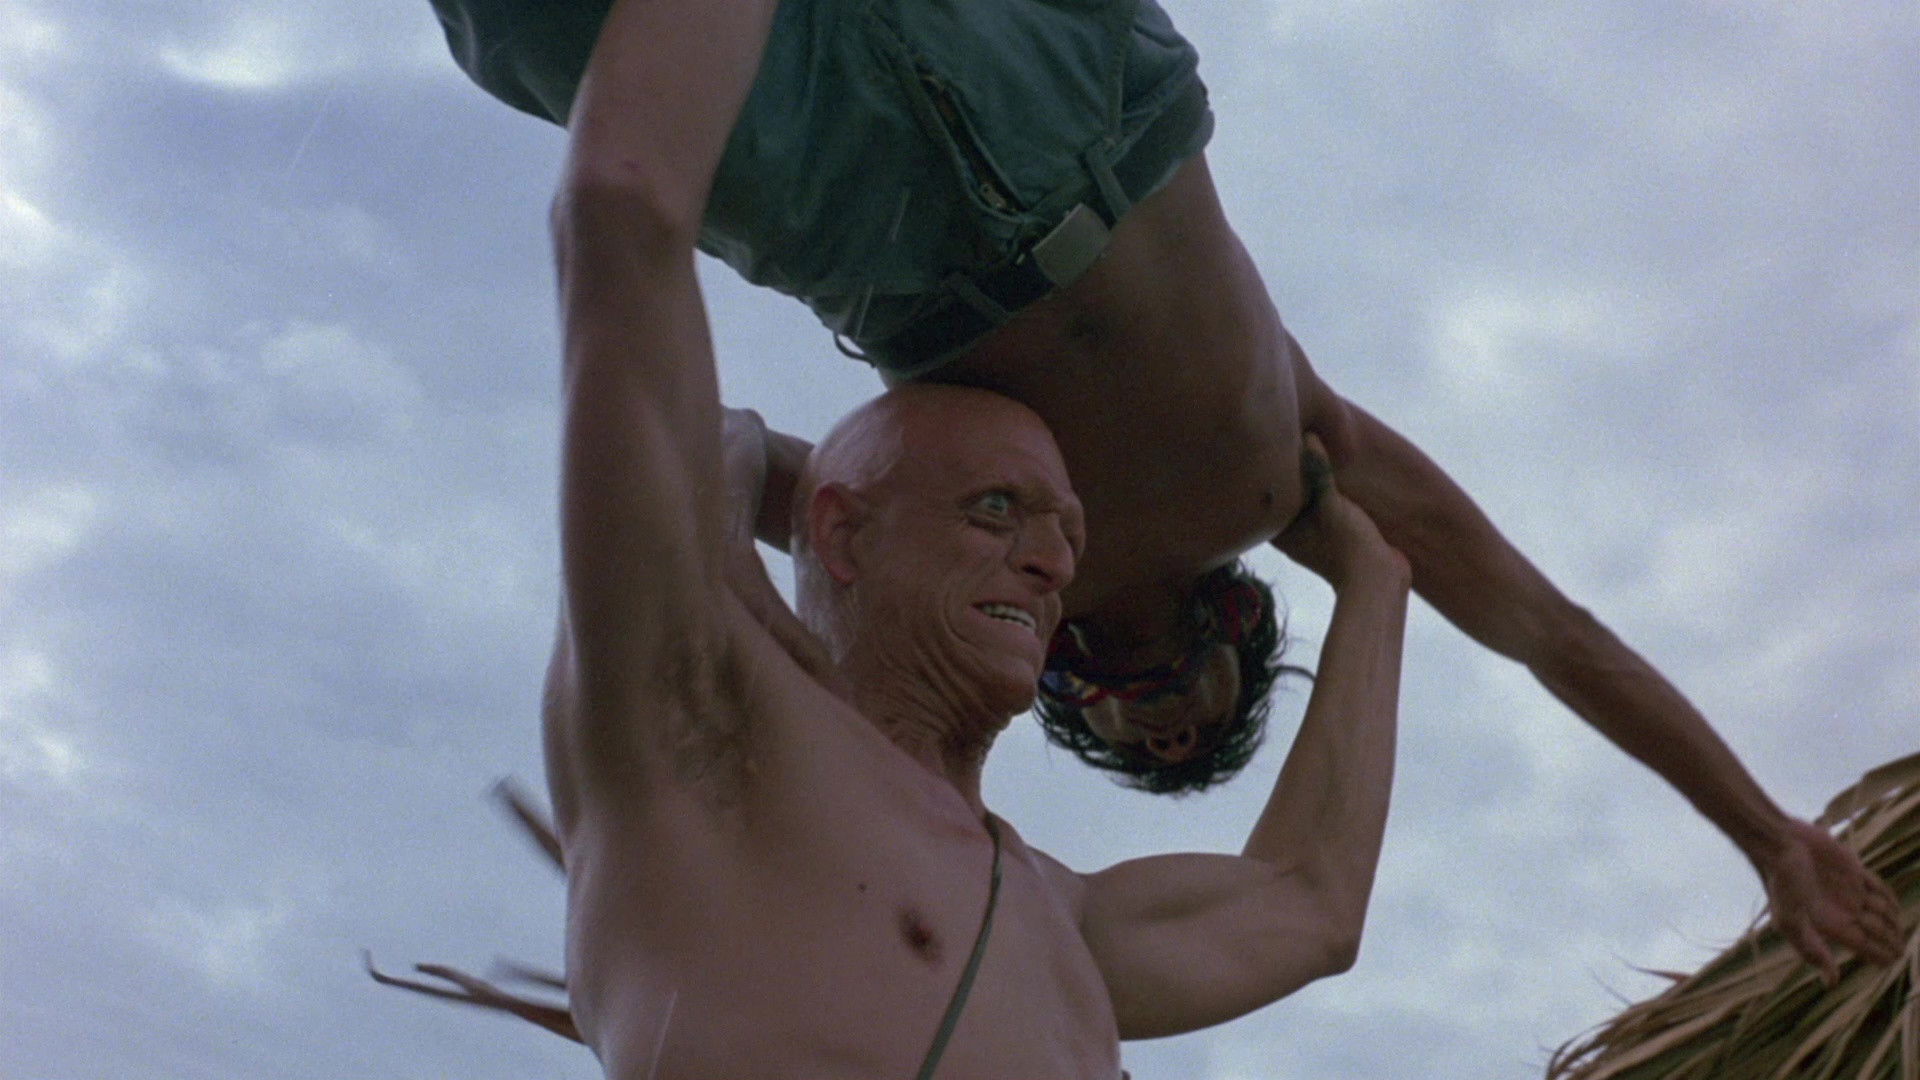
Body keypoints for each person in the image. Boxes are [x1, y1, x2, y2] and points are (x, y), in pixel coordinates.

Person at [428, 0, 1905, 979]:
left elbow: (722, 463)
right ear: (1243, 635)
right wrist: (1764, 830)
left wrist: (726, 580)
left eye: (1149, 741)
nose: (1164, 710)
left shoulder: (974, 551)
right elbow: (1552, 631)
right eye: (1204, 718)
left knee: (535, 27)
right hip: (1077, 95)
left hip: (861, 205)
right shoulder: (1298, 476)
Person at [541, 15, 1415, 1068]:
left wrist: (1375, 577)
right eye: (997, 509)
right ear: (840, 531)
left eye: (1066, 531)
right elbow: (622, 211)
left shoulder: (1057, 917)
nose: (1055, 565)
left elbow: (1311, 904)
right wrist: (762, 515)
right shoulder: (701, 734)